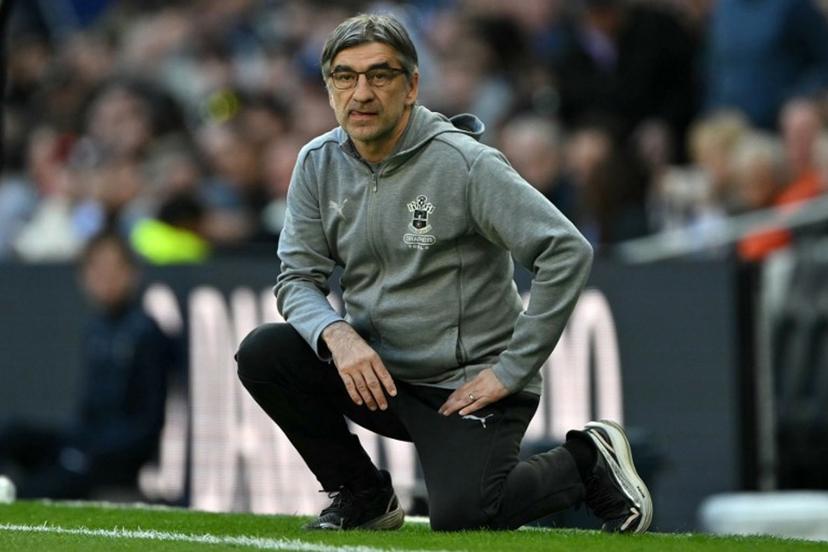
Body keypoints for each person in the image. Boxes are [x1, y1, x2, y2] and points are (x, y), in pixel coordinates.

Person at [235, 14, 652, 533]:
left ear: (411, 87)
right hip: (381, 377)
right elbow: (296, 277)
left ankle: (589, 459)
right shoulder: (317, 163)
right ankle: (363, 496)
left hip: (467, 384)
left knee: (466, 516)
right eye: (345, 77)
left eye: (380, 75)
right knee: (264, 353)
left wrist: (511, 369)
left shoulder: (464, 163)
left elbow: (566, 250)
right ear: (328, 88)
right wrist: (337, 335)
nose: (361, 93)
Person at [0, 230, 172, 498]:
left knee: (33, 490)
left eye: (114, 267)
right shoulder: (96, 330)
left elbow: (148, 423)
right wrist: (74, 446)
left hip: (113, 458)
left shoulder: (146, 333)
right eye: (96, 268)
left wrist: (87, 452)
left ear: (131, 273)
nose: (105, 277)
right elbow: (87, 412)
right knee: (12, 434)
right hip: (81, 442)